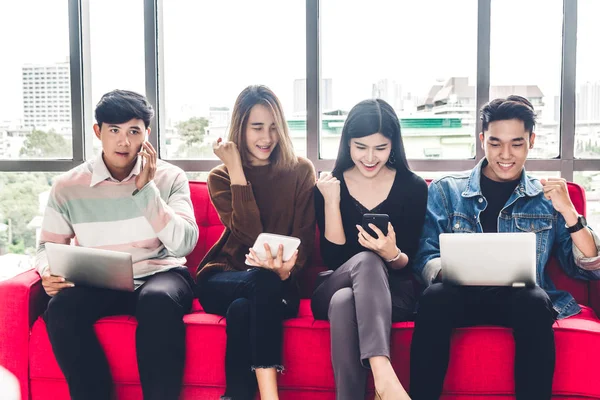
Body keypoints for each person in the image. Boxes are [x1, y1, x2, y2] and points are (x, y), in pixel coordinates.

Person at [410, 95, 600, 400]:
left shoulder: (546, 198)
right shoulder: (447, 189)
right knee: (434, 298)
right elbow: (424, 256)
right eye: (496, 143)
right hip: (459, 297)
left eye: (516, 143)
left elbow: (588, 267)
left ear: (531, 141)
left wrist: (568, 212)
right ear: (483, 140)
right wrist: (449, 270)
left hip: (520, 302)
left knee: (535, 301)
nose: (505, 154)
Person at [36, 89, 199, 400]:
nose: (124, 142)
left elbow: (183, 245)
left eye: (133, 131)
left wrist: (147, 190)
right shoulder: (67, 186)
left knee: (158, 301)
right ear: (98, 132)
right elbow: (47, 247)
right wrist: (48, 271)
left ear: (146, 135)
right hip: (100, 280)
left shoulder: (170, 177)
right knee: (61, 309)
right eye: (114, 131)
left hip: (161, 275)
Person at [195, 85, 316, 400]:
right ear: (241, 128)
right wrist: (236, 170)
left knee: (242, 310)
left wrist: (289, 271)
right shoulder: (221, 177)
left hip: (279, 284)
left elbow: (304, 237)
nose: (267, 137)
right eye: (257, 127)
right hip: (223, 277)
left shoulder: (301, 171)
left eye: (274, 127)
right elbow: (249, 235)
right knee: (258, 283)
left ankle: (236, 395)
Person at [311, 99, 427, 400]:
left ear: (394, 146)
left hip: (392, 295)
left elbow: (409, 262)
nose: (370, 157)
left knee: (344, 302)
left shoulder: (413, 187)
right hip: (335, 279)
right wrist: (332, 201)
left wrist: (391, 253)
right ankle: (383, 375)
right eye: (360, 147)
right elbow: (334, 259)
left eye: (380, 148)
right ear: (347, 143)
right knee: (363, 261)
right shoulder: (328, 185)